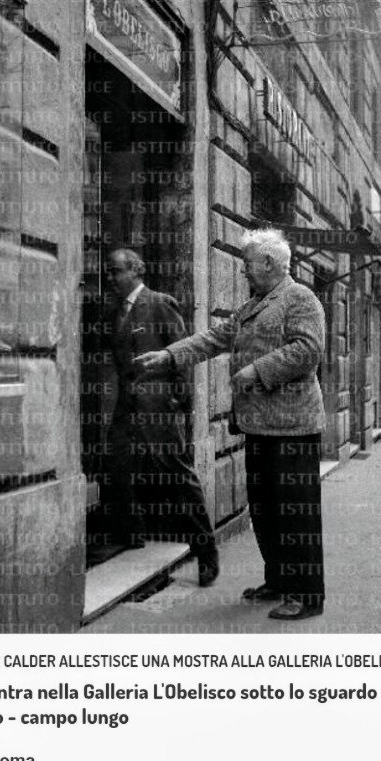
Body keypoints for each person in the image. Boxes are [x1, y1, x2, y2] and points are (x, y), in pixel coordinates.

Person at [135, 229, 326, 621]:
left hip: (293, 428)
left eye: (247, 264)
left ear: (269, 263)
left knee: (296, 514)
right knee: (265, 510)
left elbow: (308, 350)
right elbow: (215, 337)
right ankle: (278, 579)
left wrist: (257, 370)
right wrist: (170, 356)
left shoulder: (300, 298)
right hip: (259, 427)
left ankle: (307, 595)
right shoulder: (255, 304)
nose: (243, 272)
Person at [102, 248, 219, 586]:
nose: (110, 278)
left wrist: (176, 402)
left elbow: (181, 354)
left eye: (115, 271)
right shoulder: (115, 311)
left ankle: (206, 553)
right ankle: (130, 534)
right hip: (128, 406)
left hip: (159, 409)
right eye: (108, 273)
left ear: (136, 271)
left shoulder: (159, 303)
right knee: (117, 466)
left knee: (179, 479)